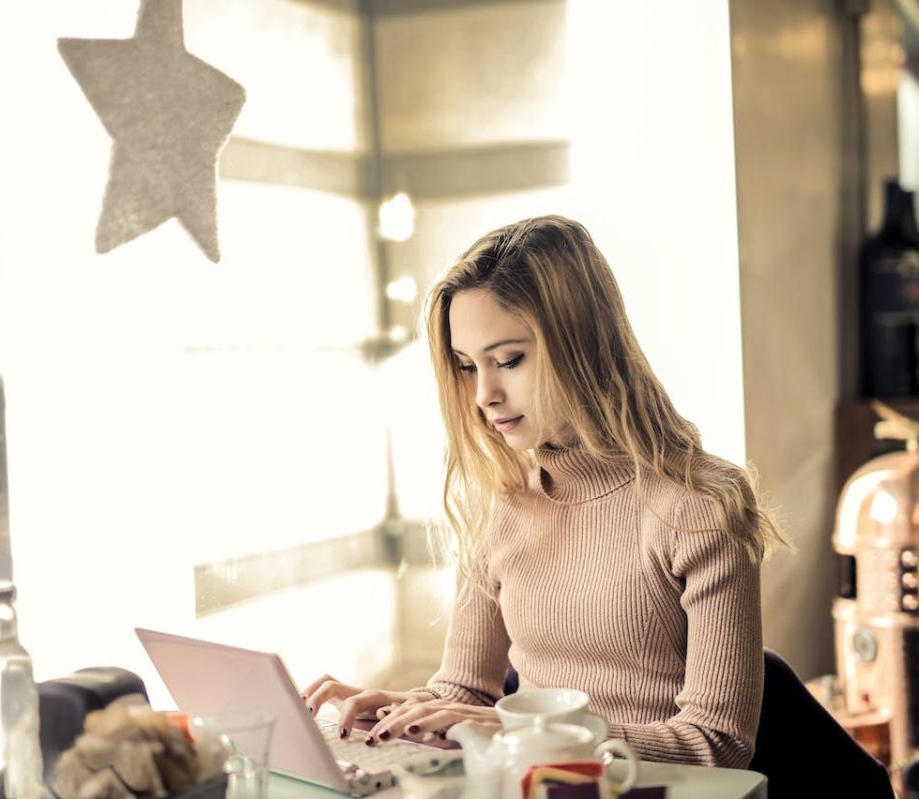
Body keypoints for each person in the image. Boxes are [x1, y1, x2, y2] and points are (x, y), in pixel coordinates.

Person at [304, 214, 787, 767]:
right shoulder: (497, 503)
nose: (484, 393)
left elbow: (718, 744)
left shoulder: (700, 507)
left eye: (508, 360)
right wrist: (397, 711)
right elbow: (464, 694)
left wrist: (534, 732)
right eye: (467, 366)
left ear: (581, 344)